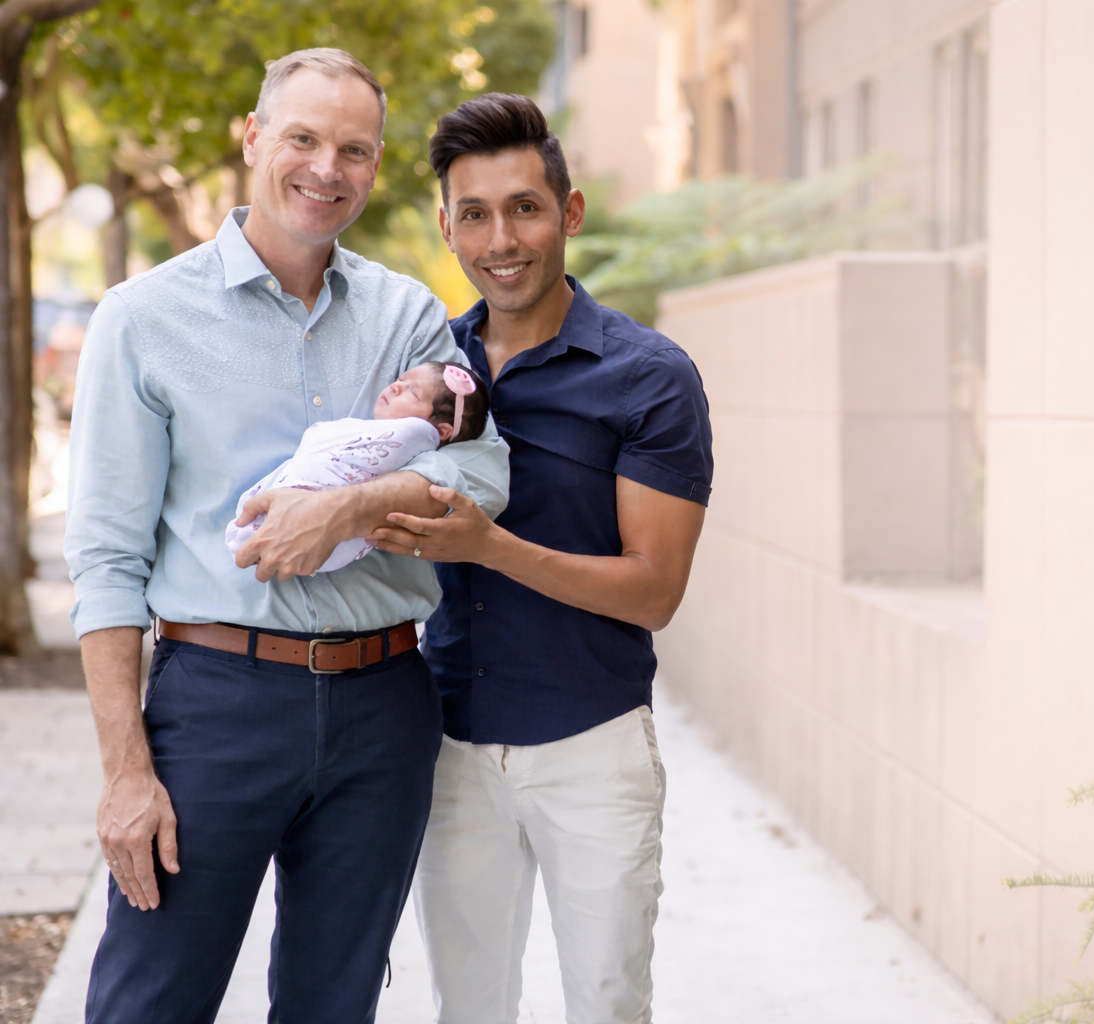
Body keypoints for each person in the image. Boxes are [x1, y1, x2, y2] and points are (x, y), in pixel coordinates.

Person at [64, 49, 510, 1023]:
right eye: (303, 138)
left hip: (385, 707)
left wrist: (348, 508)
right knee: (150, 1000)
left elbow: (482, 471)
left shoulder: (405, 314)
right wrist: (127, 774)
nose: (327, 167)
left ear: (376, 162)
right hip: (217, 705)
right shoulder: (144, 319)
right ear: (254, 138)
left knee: (334, 1003)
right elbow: (106, 563)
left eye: (354, 148)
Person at [369, 93, 713, 1023]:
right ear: (446, 227)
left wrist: (489, 546)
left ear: (568, 213)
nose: (500, 238)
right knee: (468, 1008)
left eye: (523, 206)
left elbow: (654, 591)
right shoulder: (427, 366)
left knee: (606, 1002)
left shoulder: (648, 377)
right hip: (449, 746)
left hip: (591, 746)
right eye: (473, 214)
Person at [225, 362, 491, 572]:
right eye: (401, 380)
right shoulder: (375, 432)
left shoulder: (416, 435)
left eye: (413, 391)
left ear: (440, 430)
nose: (396, 387)